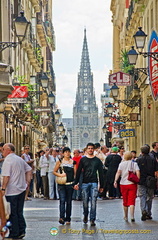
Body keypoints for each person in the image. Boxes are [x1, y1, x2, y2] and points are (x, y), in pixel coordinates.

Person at [1, 143, 32, 239]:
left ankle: (14, 232)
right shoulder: (19, 159)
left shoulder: (8, 160)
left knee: (12, 212)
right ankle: (21, 230)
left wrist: (3, 188)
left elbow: (6, 176)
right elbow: (29, 169)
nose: (2, 152)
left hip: (11, 191)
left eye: (3, 149)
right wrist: (27, 182)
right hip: (21, 189)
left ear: (8, 150)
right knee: (19, 211)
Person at [74, 143, 104, 226]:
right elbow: (79, 171)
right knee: (85, 201)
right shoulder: (83, 160)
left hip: (94, 182)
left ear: (94, 149)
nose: (90, 150)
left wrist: (102, 186)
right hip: (84, 183)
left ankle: (92, 219)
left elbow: (101, 173)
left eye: (92, 148)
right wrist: (76, 183)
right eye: (89, 148)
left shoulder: (97, 160)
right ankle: (85, 215)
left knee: (94, 201)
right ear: (86, 150)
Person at [114, 151, 140, 222]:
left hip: (123, 184)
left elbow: (118, 172)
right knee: (132, 201)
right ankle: (132, 216)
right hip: (132, 184)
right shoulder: (134, 164)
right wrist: (137, 180)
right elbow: (138, 172)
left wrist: (115, 181)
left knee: (125, 201)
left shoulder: (121, 164)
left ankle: (125, 216)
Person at [53, 147, 76, 225]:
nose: (67, 153)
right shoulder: (59, 162)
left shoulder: (73, 162)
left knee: (69, 202)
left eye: (68, 152)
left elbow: (75, 174)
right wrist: (61, 175)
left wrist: (76, 183)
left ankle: (68, 218)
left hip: (70, 184)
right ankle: (61, 217)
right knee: (62, 200)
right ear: (63, 153)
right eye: (65, 152)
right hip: (61, 184)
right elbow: (54, 171)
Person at [136, 145, 158, 221]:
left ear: (141, 151)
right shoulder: (153, 159)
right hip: (151, 180)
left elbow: (137, 171)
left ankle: (143, 210)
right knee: (150, 196)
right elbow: (156, 171)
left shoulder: (138, 159)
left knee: (142, 196)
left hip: (141, 180)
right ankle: (148, 212)